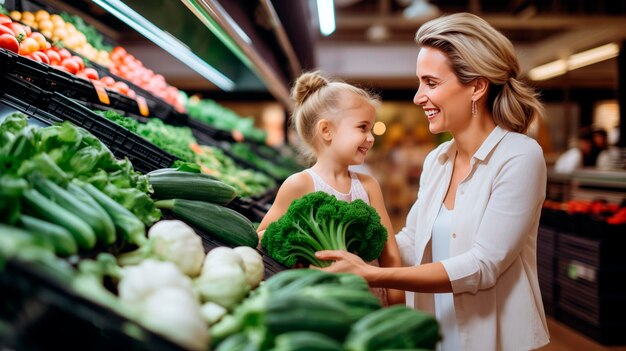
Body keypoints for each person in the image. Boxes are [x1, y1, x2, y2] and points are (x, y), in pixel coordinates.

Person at [315, 12, 550, 351]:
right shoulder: (437, 161)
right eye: (419, 82)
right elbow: (412, 240)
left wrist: (376, 275)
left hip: (493, 340)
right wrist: (354, 252)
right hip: (435, 332)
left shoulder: (519, 157)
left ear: (477, 87)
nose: (418, 96)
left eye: (431, 83)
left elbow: (482, 266)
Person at [256, 71, 405, 306]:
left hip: (372, 302)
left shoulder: (368, 186)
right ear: (326, 130)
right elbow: (261, 238)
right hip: (323, 302)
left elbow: (391, 256)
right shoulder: (300, 184)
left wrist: (398, 308)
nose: (370, 138)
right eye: (363, 127)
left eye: (371, 128)